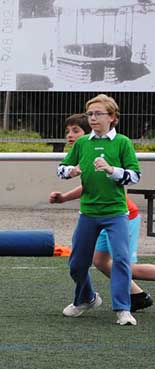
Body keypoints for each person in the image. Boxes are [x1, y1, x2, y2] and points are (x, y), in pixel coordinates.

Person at [49, 112, 154, 311]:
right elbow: (87, 185)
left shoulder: (112, 146)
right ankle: (136, 295)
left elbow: (122, 177)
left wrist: (63, 197)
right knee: (100, 262)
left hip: (123, 215)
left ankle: (131, 297)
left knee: (123, 265)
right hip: (96, 215)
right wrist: (64, 193)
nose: (70, 135)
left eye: (76, 131)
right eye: (68, 131)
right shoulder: (82, 149)